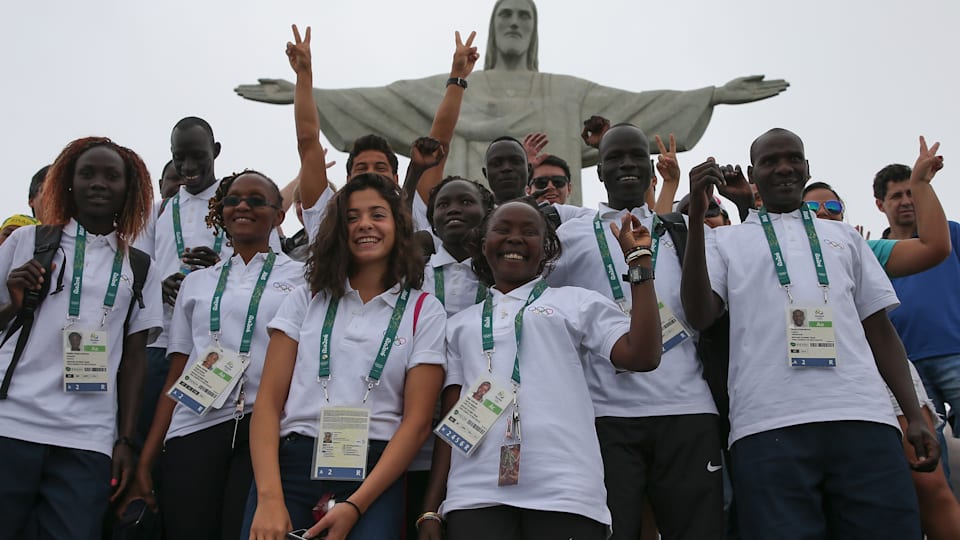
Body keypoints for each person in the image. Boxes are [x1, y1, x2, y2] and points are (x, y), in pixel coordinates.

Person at [235, 0, 789, 205]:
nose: (516, 24)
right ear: (492, 28)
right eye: (507, 16)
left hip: (548, 225)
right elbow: (383, 102)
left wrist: (711, 95)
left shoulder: (564, 91)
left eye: (525, 16)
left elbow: (635, 109)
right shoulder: (453, 83)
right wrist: (305, 90)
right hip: (458, 217)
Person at [681, 128, 940, 539]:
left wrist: (912, 414)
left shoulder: (844, 237)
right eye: (769, 161)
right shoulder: (723, 241)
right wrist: (696, 216)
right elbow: (700, 314)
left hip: (863, 417)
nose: (783, 167)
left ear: (806, 168)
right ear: (753, 174)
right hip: (766, 425)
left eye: (792, 158)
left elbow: (879, 328)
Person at [419, 200, 661, 539]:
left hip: (566, 492)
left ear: (546, 249)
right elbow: (453, 418)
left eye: (529, 232)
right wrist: (431, 506)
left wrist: (639, 264)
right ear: (483, 243)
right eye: (503, 230)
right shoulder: (459, 325)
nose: (515, 238)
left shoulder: (577, 302)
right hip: (474, 495)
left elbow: (643, 356)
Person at [545, 123, 726, 540]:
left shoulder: (680, 231)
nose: (626, 163)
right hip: (604, 416)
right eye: (614, 157)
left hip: (687, 411)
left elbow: (705, 314)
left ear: (651, 171)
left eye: (636, 156)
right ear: (599, 172)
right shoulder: (570, 236)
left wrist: (694, 215)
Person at [242, 171, 446, 540]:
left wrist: (356, 505)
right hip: (291, 465)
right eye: (352, 217)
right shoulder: (307, 297)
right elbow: (269, 404)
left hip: (374, 473)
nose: (365, 224)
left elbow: (416, 424)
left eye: (377, 215)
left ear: (398, 226)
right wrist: (270, 498)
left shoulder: (424, 310)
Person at [126, 170, 304, 539]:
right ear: (221, 212)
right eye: (233, 200)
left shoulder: (305, 279)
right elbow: (176, 372)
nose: (242, 206)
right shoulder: (197, 282)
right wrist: (147, 459)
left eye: (256, 201)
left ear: (279, 215)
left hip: (264, 426)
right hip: (194, 425)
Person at [0, 137, 162, 538]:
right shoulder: (28, 242)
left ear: (130, 188)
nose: (98, 183)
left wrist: (124, 440)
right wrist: (13, 303)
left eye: (112, 176)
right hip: (11, 420)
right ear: (68, 182)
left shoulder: (140, 267)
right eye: (86, 173)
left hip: (87, 435)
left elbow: (135, 359)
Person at [801, 140, 960, 539]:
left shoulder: (863, 248)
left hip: (881, 375)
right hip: (814, 385)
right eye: (811, 208)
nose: (822, 213)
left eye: (833, 207)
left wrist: (921, 184)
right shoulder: (767, 249)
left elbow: (935, 247)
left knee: (929, 486)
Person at [874, 154, 960, 481]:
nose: (907, 201)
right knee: (931, 457)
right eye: (897, 195)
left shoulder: (949, 233)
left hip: (955, 351)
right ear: (880, 204)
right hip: (908, 370)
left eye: (912, 192)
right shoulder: (873, 251)